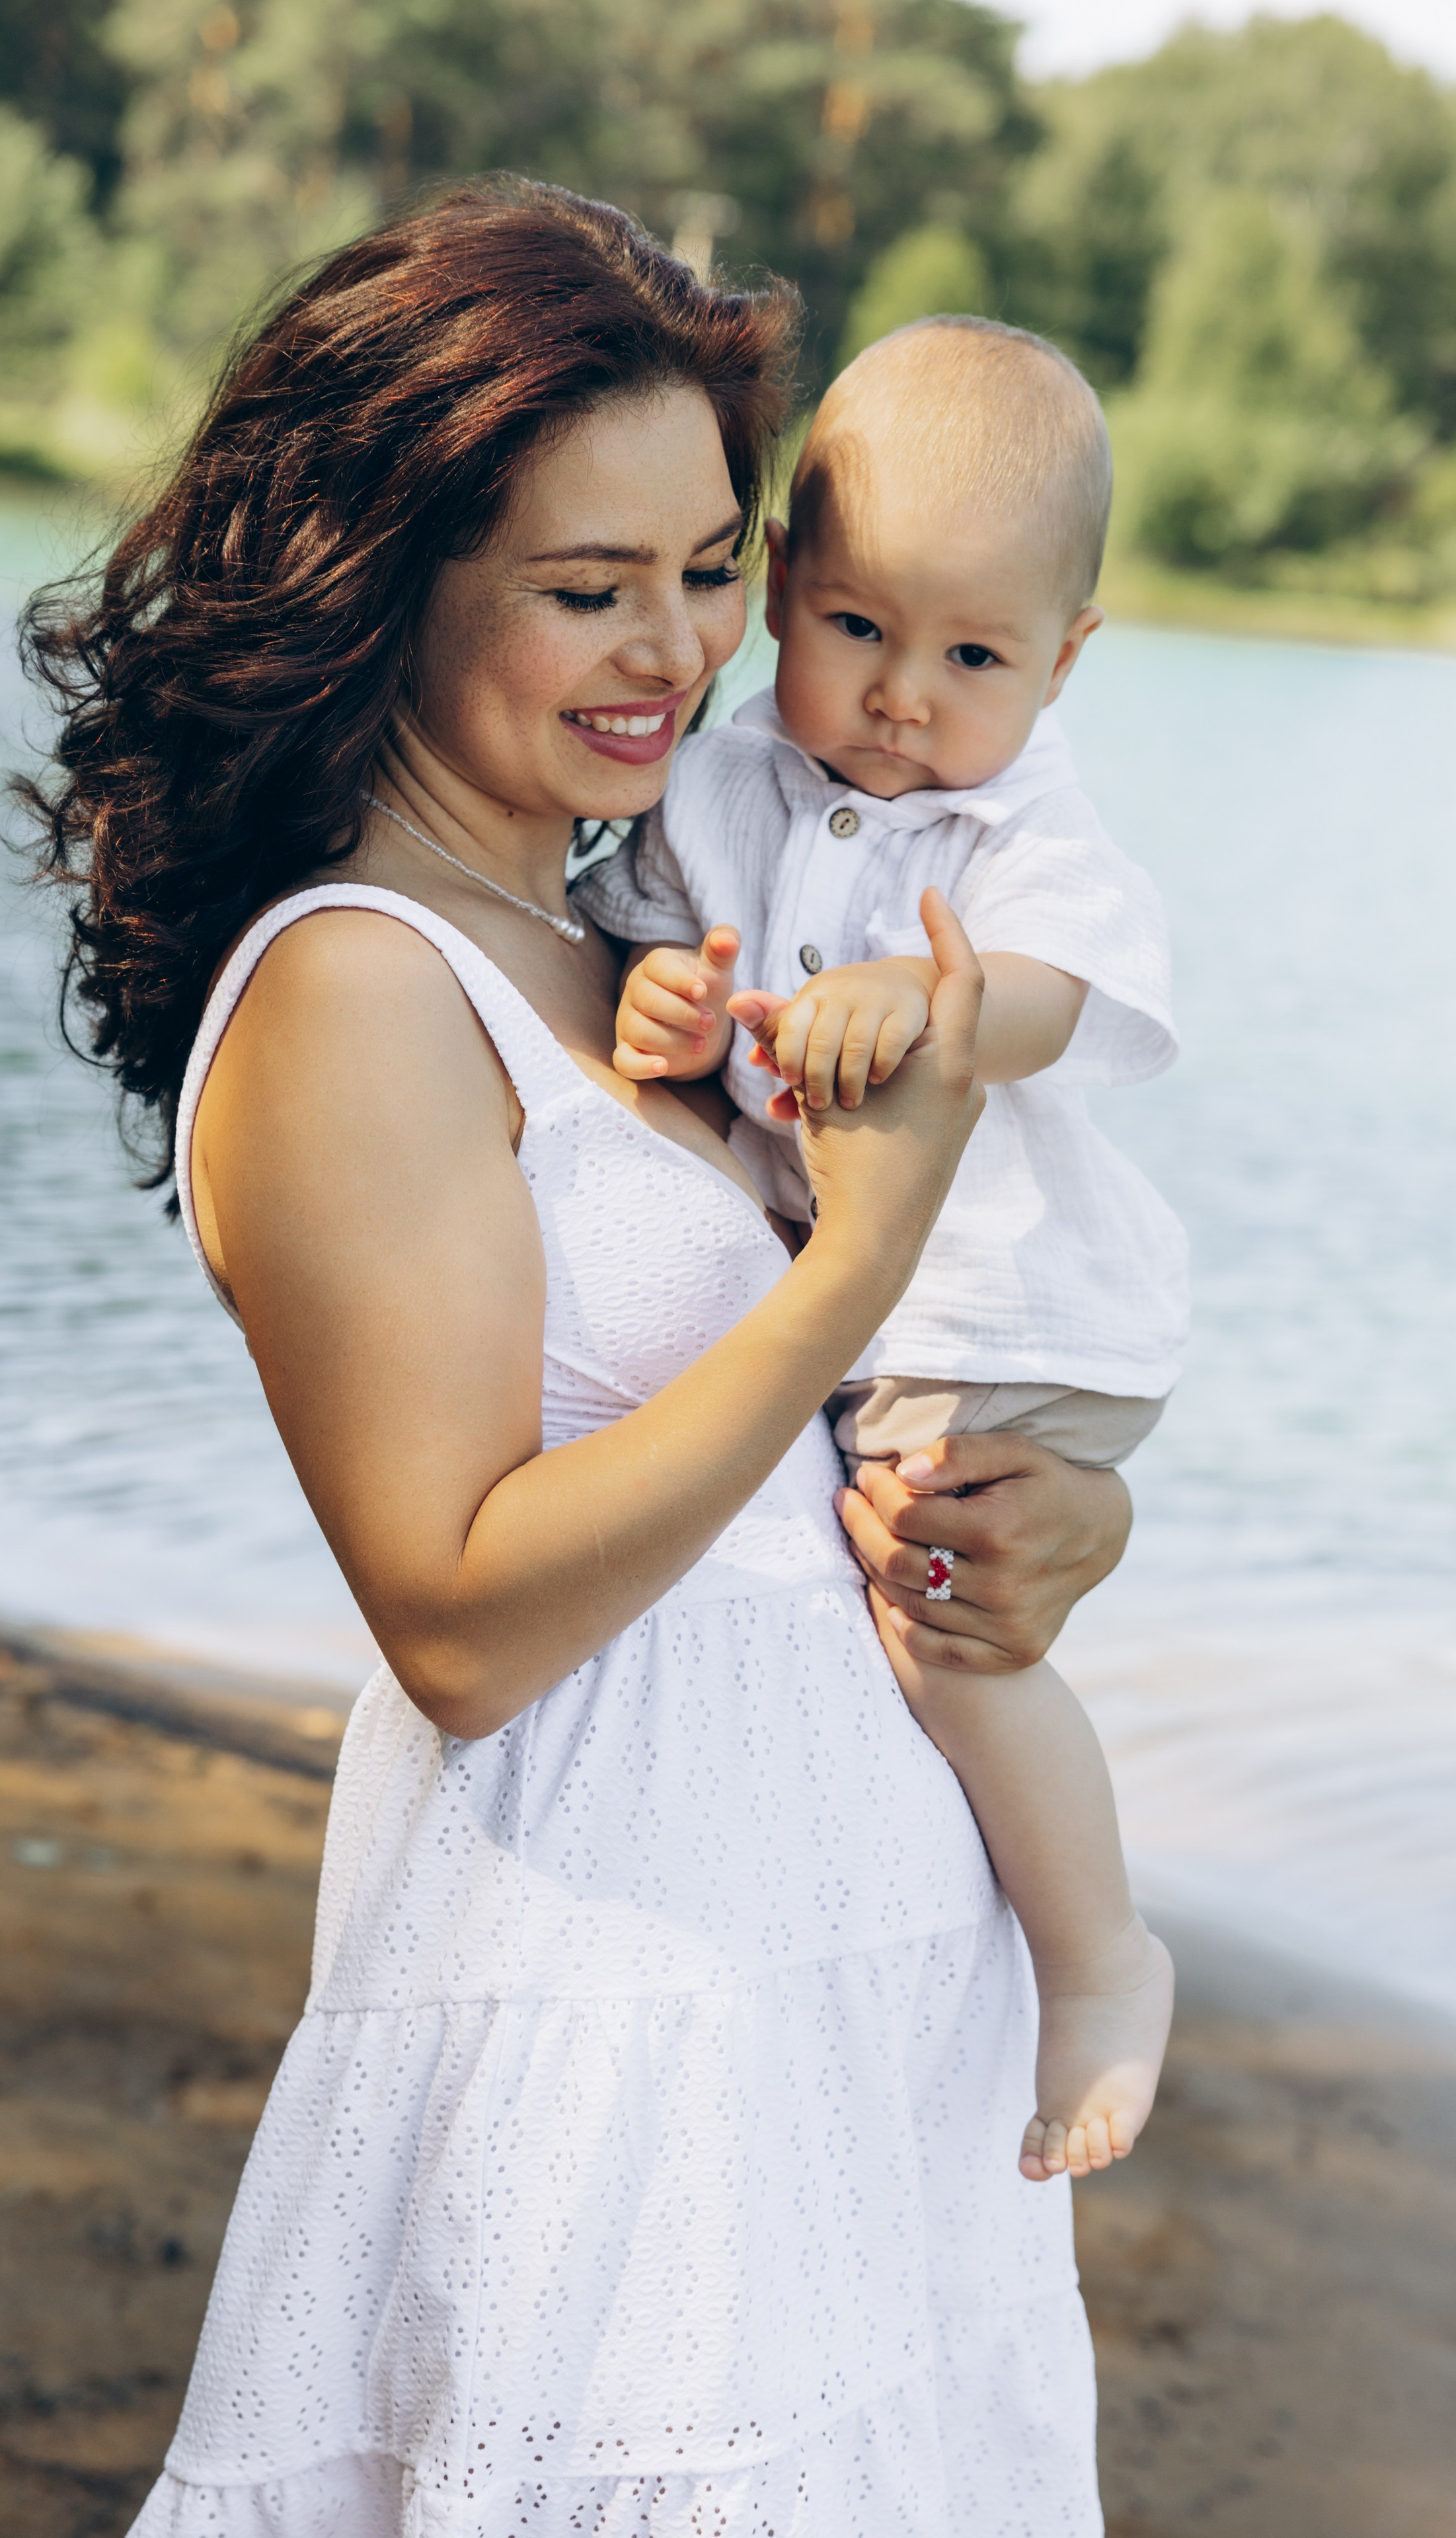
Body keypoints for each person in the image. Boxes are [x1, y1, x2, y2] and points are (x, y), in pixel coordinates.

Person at [19, 181, 1135, 2535]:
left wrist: (1055, 1520)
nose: (680, 655)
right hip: (619, 2013)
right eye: (584, 585)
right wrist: (857, 1257)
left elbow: (775, 1457)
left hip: (841, 1994)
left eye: (715, 568)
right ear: (384, 579)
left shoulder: (622, 927)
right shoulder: (352, 992)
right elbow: (463, 1616)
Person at [582, 315, 1183, 2184]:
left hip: (1004, 1301)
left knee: (943, 1632)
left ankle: (1101, 1961)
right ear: (781, 591)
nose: (905, 695)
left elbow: (1063, 994)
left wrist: (935, 1003)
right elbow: (652, 949)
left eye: (976, 655)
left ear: (1065, 659)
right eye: (858, 628)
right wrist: (673, 1001)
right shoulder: (721, 777)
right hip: (873, 1293)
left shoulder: (1022, 821)